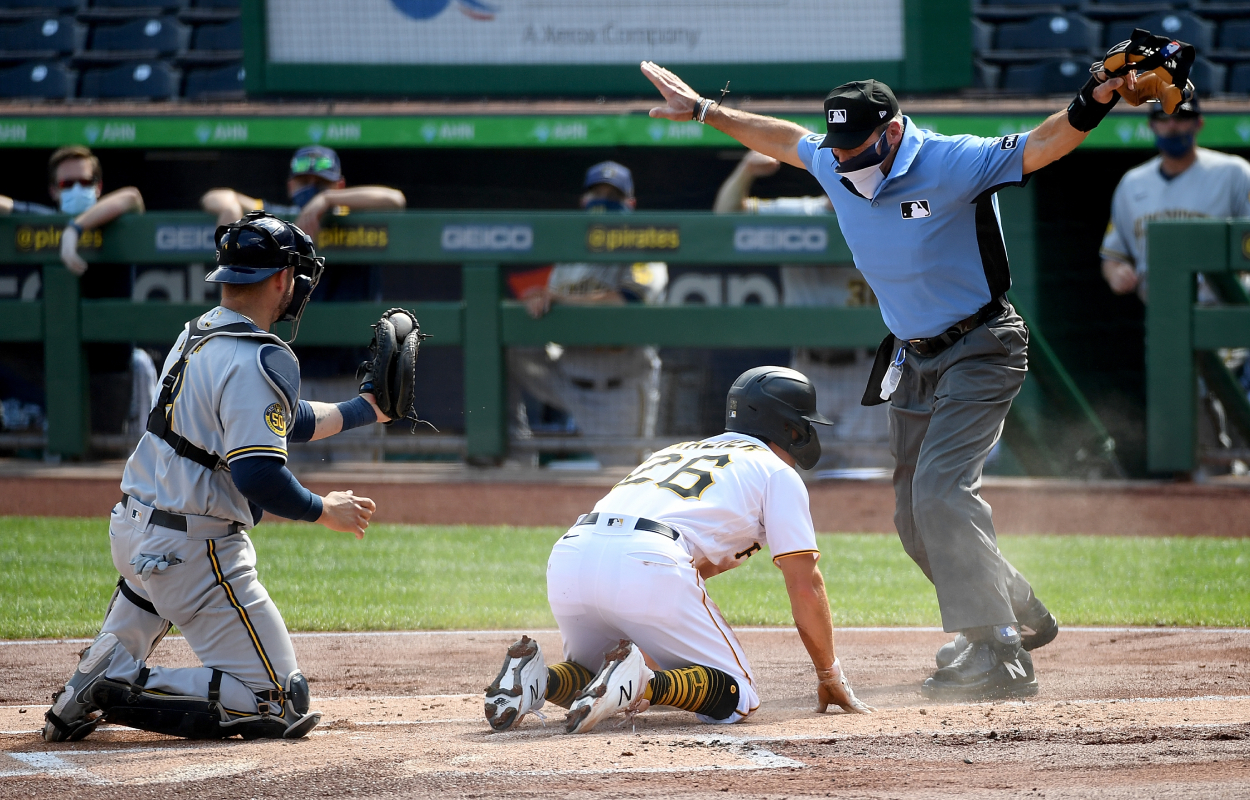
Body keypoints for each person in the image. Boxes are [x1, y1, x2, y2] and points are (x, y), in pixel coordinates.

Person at [638, 41, 1159, 699]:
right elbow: (786, 139)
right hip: (914, 356)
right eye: (837, 146)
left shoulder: (950, 160)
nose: (842, 157)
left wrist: (1096, 97)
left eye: (857, 145)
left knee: (942, 492)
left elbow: (1042, 145)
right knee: (915, 519)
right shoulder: (832, 158)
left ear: (891, 130)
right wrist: (705, 110)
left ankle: (1000, 651)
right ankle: (1014, 612)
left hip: (982, 345)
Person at [42, 211, 388, 743]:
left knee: (149, 597)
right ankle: (115, 682)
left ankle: (82, 690)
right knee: (274, 700)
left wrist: (363, 409)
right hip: (193, 552)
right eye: (295, 274)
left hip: (136, 531)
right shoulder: (260, 356)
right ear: (280, 280)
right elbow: (259, 473)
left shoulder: (197, 334)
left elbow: (276, 420)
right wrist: (325, 510)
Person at [485, 367, 872, 734]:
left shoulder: (674, 451)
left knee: (594, 675)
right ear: (789, 428)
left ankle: (540, 678)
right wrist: (828, 674)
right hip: (648, 557)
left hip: (572, 554)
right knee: (739, 695)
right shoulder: (775, 471)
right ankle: (643, 684)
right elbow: (806, 585)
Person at [713, 150, 891, 474]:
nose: (846, 180)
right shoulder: (800, 212)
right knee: (801, 475)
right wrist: (746, 171)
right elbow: (725, 217)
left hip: (869, 368)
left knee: (867, 475)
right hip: (808, 372)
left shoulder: (889, 216)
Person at [507, 161, 667, 466]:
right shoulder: (570, 253)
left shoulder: (645, 249)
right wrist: (537, 303)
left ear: (630, 205)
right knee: (504, 347)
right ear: (584, 202)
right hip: (565, 374)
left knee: (622, 481)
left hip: (616, 385)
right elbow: (549, 306)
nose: (603, 201)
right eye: (597, 193)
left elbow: (627, 301)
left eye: (613, 195)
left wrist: (559, 300)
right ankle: (515, 454)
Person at [1100, 97, 1250, 302]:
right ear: (1151, 125)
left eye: (1181, 117)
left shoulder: (1234, 173)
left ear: (1199, 123)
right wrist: (1117, 273)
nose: (1172, 125)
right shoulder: (1132, 183)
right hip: (1161, 314)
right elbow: (1114, 256)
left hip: (1223, 311)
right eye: (1163, 117)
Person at [200, 145, 406, 240]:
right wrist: (230, 207)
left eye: (321, 182)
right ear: (291, 186)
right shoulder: (276, 215)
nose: (312, 188)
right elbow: (215, 197)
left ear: (339, 186)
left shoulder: (350, 213)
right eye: (304, 181)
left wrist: (326, 199)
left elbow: (395, 200)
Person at [1, 145, 145, 276]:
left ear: (98, 187)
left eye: (85, 182)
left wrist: (73, 230)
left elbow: (132, 197)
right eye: (67, 184)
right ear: (53, 191)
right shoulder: (46, 220)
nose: (76, 189)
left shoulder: (115, 218)